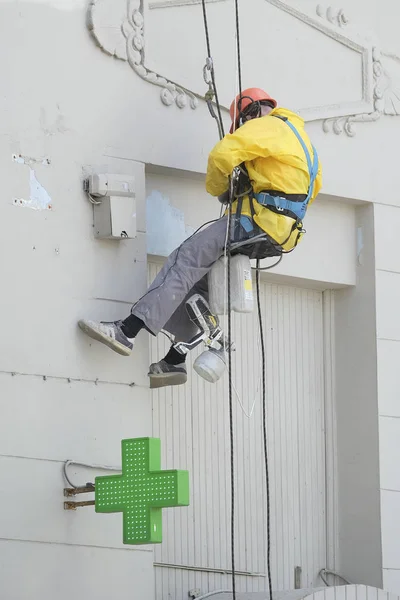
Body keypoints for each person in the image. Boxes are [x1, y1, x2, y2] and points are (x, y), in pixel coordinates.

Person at [78, 87, 322, 388]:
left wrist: (220, 188)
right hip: (280, 236)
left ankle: (126, 331)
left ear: (249, 113)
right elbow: (301, 188)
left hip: (256, 222)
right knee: (201, 282)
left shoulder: (267, 126)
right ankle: (175, 358)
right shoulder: (306, 145)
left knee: (187, 258)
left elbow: (222, 154)